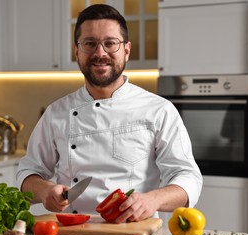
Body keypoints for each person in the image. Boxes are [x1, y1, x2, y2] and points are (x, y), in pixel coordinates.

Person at [16, 4, 203, 223]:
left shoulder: (158, 110)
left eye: (110, 43)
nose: (100, 53)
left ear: (126, 49)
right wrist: (44, 190)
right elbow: (28, 172)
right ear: (77, 51)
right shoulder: (56, 112)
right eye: (90, 43)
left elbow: (188, 177)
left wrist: (154, 199)